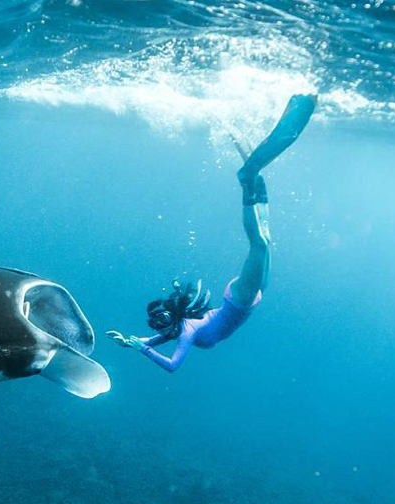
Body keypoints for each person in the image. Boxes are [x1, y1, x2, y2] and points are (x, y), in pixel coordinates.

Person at [107, 94, 316, 372]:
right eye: (156, 322)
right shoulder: (177, 329)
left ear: (172, 314)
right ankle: (256, 184)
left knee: (260, 246)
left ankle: (247, 181)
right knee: (266, 241)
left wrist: (142, 348)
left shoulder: (187, 331)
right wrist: (130, 341)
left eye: (160, 319)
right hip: (245, 303)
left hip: (239, 300)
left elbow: (172, 366)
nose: (160, 325)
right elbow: (155, 339)